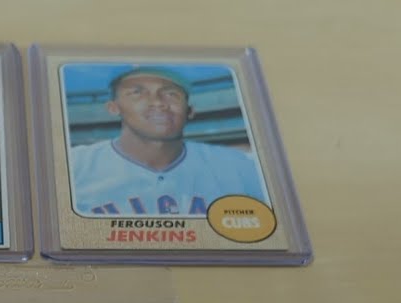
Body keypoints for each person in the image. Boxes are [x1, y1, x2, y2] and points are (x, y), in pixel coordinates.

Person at [68, 66, 265, 216]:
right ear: (113, 108)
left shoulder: (242, 168)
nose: (158, 102)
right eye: (137, 93)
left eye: (171, 94)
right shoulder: (72, 166)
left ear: (190, 111)